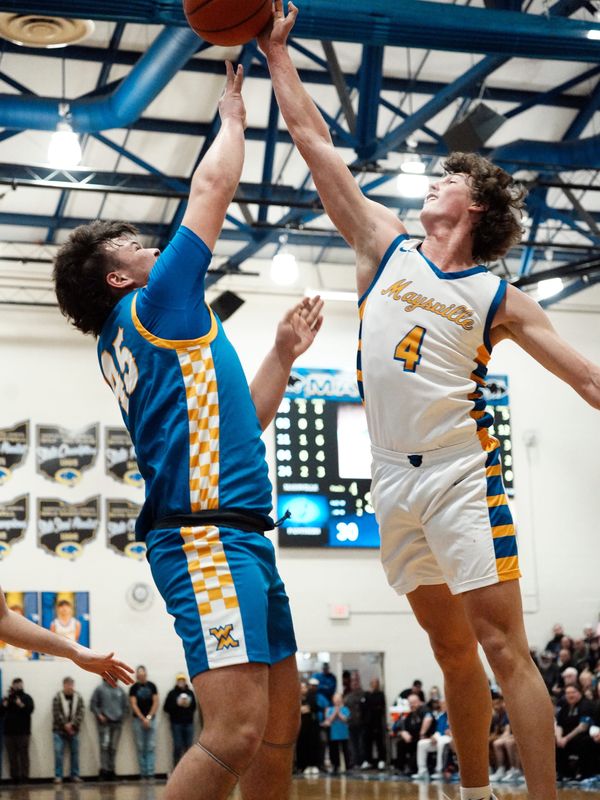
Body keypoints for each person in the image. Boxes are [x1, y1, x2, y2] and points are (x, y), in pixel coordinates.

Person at [260, 6, 600, 799]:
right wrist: (279, 57)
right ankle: (476, 794)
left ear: (475, 205)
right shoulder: (384, 246)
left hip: (459, 475)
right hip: (390, 479)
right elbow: (315, 146)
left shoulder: (498, 296)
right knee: (450, 652)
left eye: (447, 179)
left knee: (502, 645)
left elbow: (587, 379)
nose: (432, 185)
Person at [53, 61, 323, 800]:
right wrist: (233, 112)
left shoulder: (149, 336)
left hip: (237, 532)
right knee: (235, 730)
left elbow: (242, 425)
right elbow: (210, 190)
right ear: (119, 278)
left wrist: (282, 355)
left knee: (277, 724)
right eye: (139, 246)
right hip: (204, 536)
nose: (154, 250)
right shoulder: (155, 306)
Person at [0, 589, 132, 685]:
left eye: (66, 607)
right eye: (61, 607)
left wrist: (74, 650)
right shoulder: (55, 623)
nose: (63, 610)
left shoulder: (76, 623)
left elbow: (4, 619)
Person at [90, 676, 129, 781]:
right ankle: (104, 771)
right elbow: (93, 704)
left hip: (117, 724)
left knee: (113, 748)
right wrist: (99, 715)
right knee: (104, 747)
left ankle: (112, 771)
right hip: (104, 724)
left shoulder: (120, 690)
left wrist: (122, 718)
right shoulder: (100, 689)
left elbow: (126, 706)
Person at [555, 684, 596, 781]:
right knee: (555, 743)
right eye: (567, 693)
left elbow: (583, 726)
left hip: (583, 735)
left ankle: (584, 774)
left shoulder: (586, 705)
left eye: (573, 692)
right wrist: (559, 737)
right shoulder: (565, 707)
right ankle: (564, 774)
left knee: (583, 742)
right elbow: (559, 725)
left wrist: (566, 738)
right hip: (567, 737)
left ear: (579, 693)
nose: (570, 695)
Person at [0, 678, 34, 783]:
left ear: (22, 685)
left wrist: (20, 704)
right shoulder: (7, 699)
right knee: (12, 756)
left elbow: (30, 710)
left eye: (19, 684)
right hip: (9, 733)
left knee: (24, 756)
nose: (18, 686)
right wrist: (4, 705)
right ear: (13, 685)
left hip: (23, 733)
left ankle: (25, 777)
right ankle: (15, 778)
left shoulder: (27, 697)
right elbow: (1, 713)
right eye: (16, 684)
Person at [52, 677, 84, 785]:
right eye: (68, 684)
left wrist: (72, 725)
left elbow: (81, 712)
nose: (70, 687)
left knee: (75, 753)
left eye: (71, 684)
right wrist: (65, 725)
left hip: (74, 731)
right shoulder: (57, 697)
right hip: (59, 731)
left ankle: (75, 775)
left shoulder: (78, 697)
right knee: (58, 753)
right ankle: (58, 776)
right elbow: (56, 713)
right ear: (64, 685)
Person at [129, 666, 159, 780]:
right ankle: (143, 773)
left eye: (143, 674)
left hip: (152, 719)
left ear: (146, 674)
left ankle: (150, 772)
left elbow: (156, 702)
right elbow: (133, 704)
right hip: (138, 720)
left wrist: (149, 717)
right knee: (141, 747)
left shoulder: (152, 686)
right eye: (139, 674)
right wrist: (143, 718)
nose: (141, 676)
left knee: (151, 746)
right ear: (137, 675)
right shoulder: (133, 688)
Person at [392, 693, 433, 776]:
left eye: (413, 702)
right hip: (413, 739)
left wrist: (422, 733)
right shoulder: (410, 714)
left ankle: (411, 768)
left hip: (425, 739)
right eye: (410, 703)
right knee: (400, 743)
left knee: (419, 745)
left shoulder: (424, 710)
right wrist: (403, 732)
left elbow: (428, 719)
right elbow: (399, 727)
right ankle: (400, 768)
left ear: (419, 702)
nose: (412, 705)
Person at [164, 673, 197, 768]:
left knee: (189, 747)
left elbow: (194, 707)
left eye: (183, 680)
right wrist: (177, 704)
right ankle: (176, 768)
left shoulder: (190, 693)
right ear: (177, 681)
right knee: (177, 746)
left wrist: (187, 705)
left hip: (189, 723)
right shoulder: (172, 693)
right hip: (176, 723)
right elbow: (166, 708)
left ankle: (189, 768)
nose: (181, 682)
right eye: (179, 680)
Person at [413, 699, 451, 781]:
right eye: (441, 704)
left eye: (444, 704)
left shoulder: (454, 716)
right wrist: (433, 736)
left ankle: (439, 771)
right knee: (421, 743)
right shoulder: (441, 716)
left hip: (449, 738)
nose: (442, 706)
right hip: (439, 737)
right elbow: (438, 730)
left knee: (441, 743)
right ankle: (422, 771)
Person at [361, 678, 387, 769]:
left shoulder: (380, 694)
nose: (375, 684)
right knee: (367, 743)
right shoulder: (366, 694)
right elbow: (363, 707)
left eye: (376, 683)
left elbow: (380, 707)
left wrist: (372, 706)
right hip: (367, 723)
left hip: (377, 722)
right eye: (373, 683)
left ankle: (381, 760)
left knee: (379, 742)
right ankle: (368, 760)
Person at [324, 693, 351, 773]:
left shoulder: (345, 709)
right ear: (333, 700)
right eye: (335, 698)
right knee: (334, 751)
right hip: (334, 734)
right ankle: (336, 766)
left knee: (345, 750)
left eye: (339, 698)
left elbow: (345, 719)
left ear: (341, 699)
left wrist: (339, 713)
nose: (337, 700)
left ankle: (348, 766)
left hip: (344, 733)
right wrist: (335, 712)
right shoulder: (329, 709)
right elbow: (329, 720)